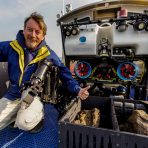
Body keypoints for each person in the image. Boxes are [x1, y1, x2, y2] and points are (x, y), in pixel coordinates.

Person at [0, 12, 90, 132]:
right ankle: (15, 113)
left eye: (37, 32)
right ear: (23, 30)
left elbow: (65, 75)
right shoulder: (11, 47)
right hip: (13, 94)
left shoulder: (49, 54)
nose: (33, 35)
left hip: (34, 95)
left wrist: (78, 89)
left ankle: (37, 117)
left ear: (43, 36)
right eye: (29, 30)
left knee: (24, 123)